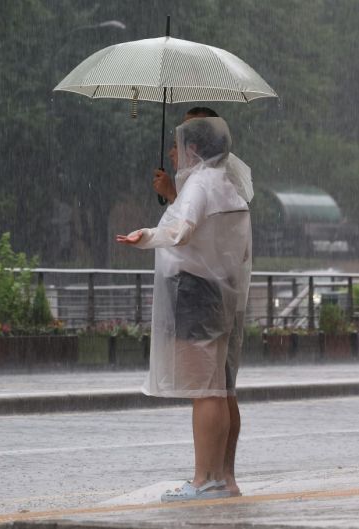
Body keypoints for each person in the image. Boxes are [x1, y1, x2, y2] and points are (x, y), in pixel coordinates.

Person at [116, 116, 252, 502]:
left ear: (194, 149)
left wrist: (146, 236)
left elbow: (182, 230)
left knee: (205, 391)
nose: (173, 152)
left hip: (195, 293)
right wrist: (174, 194)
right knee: (222, 389)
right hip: (221, 293)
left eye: (178, 145)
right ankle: (224, 477)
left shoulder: (199, 183)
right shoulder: (228, 184)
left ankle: (203, 479)